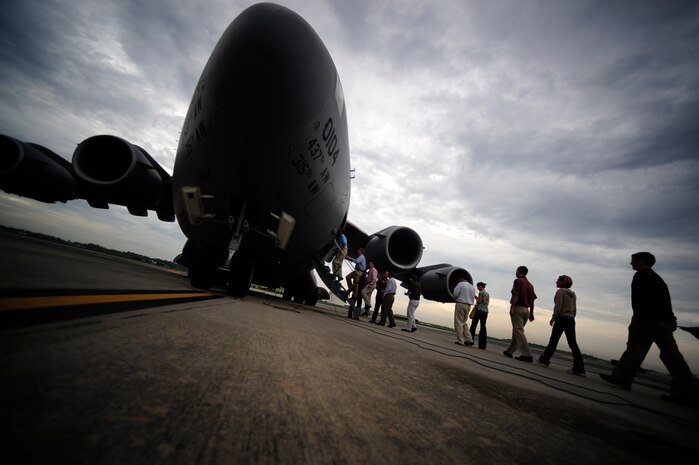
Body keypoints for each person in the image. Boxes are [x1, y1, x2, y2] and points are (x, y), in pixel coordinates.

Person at [600, 252, 699, 406]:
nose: (630, 263)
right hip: (663, 322)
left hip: (647, 321)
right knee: (672, 356)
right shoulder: (657, 279)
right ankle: (689, 393)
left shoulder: (642, 276)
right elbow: (664, 301)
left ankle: (622, 378)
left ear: (641, 261)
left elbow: (640, 301)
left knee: (635, 349)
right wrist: (670, 319)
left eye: (633, 260)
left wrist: (638, 318)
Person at [536, 276, 585, 376]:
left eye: (558, 280)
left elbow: (558, 306)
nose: (556, 281)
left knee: (553, 341)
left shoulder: (560, 292)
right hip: (570, 319)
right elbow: (574, 309)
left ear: (563, 283)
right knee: (573, 343)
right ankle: (579, 368)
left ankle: (544, 360)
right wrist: (572, 317)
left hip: (561, 318)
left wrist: (554, 317)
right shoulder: (573, 294)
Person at [504, 266, 537, 362]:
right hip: (526, 310)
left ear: (519, 272)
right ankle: (510, 351)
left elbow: (515, 295)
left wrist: (512, 308)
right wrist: (531, 313)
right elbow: (532, 301)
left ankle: (526, 354)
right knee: (517, 331)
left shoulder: (518, 281)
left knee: (518, 331)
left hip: (518, 308)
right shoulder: (530, 285)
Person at [452, 274, 475, 346]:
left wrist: (455, 297)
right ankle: (469, 340)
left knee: (458, 322)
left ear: (461, 278)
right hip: (468, 306)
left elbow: (455, 294)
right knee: (464, 322)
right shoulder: (472, 287)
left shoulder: (461, 284)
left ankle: (460, 340)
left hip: (461, 304)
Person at [469, 282, 489, 349]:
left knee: (473, 325)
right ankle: (482, 345)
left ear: (480, 286)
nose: (477, 288)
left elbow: (479, 301)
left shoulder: (481, 293)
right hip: (485, 311)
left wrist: (475, 297)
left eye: (478, 287)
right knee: (483, 327)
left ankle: (470, 340)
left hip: (479, 310)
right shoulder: (487, 294)